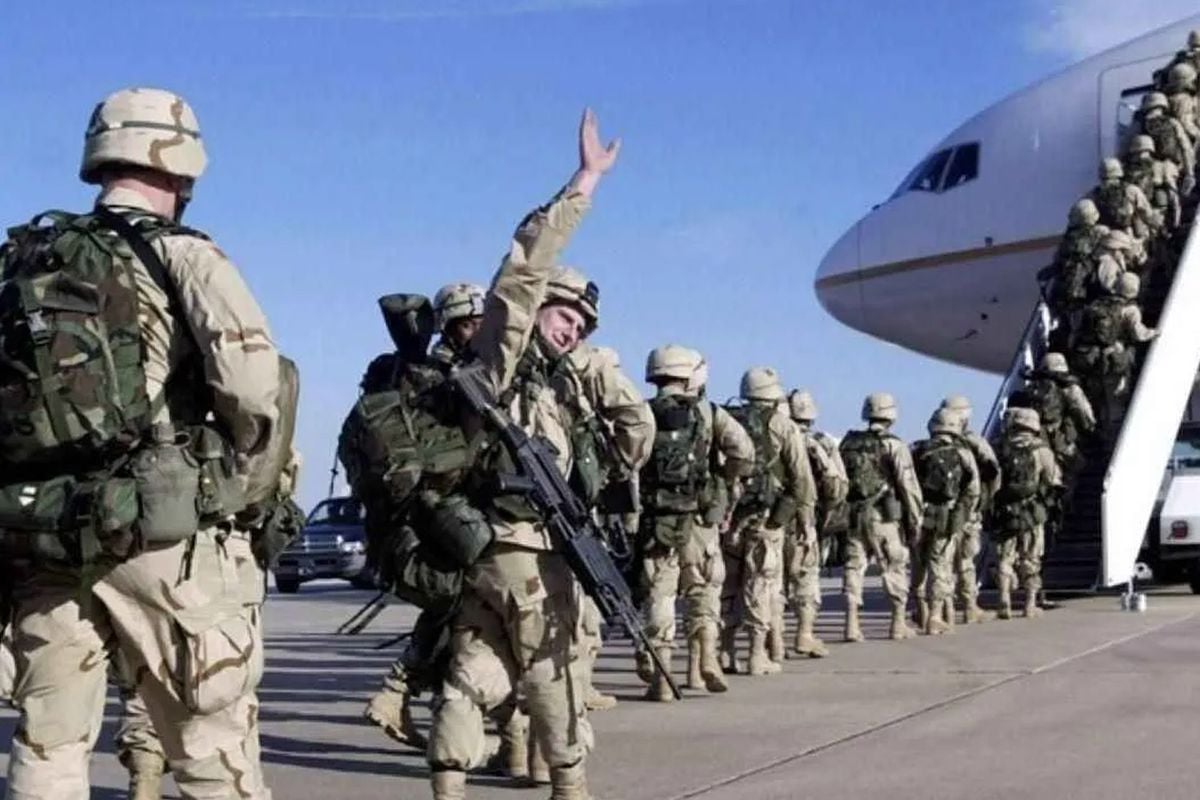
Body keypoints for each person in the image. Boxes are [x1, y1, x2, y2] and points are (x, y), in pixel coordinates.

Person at [1, 87, 286, 799]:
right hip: (161, 533)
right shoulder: (184, 253)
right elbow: (254, 388)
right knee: (211, 746)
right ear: (184, 168)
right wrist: (236, 472)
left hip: (47, 534)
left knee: (48, 746)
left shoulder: (26, 262)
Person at [425, 108, 619, 800]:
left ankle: (448, 785)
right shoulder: (499, 364)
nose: (573, 332)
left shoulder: (552, 383)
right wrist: (584, 184)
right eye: (565, 317)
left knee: (473, 670)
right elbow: (523, 270)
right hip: (523, 550)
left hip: (487, 552)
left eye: (583, 327)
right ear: (538, 309)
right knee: (552, 668)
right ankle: (570, 786)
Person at [637, 345, 752, 698]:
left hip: (657, 520)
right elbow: (744, 452)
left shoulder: (641, 412)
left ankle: (661, 679)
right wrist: (724, 482)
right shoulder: (710, 413)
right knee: (703, 589)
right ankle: (705, 661)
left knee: (660, 594)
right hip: (700, 520)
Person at [721, 368, 815, 674]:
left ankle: (725, 651)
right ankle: (756, 654)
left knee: (728, 584)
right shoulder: (782, 424)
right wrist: (804, 521)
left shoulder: (727, 418)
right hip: (767, 518)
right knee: (761, 582)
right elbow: (801, 478)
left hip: (730, 517)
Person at [840, 393, 924, 641]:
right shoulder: (894, 445)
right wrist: (914, 519)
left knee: (854, 566)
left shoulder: (848, 443)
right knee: (894, 565)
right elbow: (908, 486)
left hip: (855, 515)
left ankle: (851, 624)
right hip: (884, 517)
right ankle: (898, 623)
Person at [785, 389, 848, 657]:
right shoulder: (819, 442)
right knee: (806, 577)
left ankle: (772, 642)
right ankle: (804, 634)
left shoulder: (775, 435)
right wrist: (826, 510)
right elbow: (837, 483)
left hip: (773, 519)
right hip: (805, 518)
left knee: (772, 582)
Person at [909, 409, 979, 635]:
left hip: (919, 514)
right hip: (946, 515)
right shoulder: (963, 453)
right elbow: (973, 490)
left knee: (918, 564)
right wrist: (962, 514)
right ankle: (935, 616)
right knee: (940, 564)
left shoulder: (916, 449)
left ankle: (921, 609)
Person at [991, 408, 1063, 619]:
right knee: (1031, 559)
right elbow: (1053, 480)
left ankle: (1004, 600)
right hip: (1032, 513)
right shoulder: (1041, 450)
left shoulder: (999, 447)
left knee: (1005, 558)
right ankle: (1029, 605)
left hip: (1005, 511)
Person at [938, 395, 1000, 624]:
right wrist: (985, 501)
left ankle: (944, 608)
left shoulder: (931, 445)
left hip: (939, 511)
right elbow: (994, 473)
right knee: (966, 561)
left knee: (942, 560)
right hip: (967, 510)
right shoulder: (974, 442)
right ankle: (970, 607)